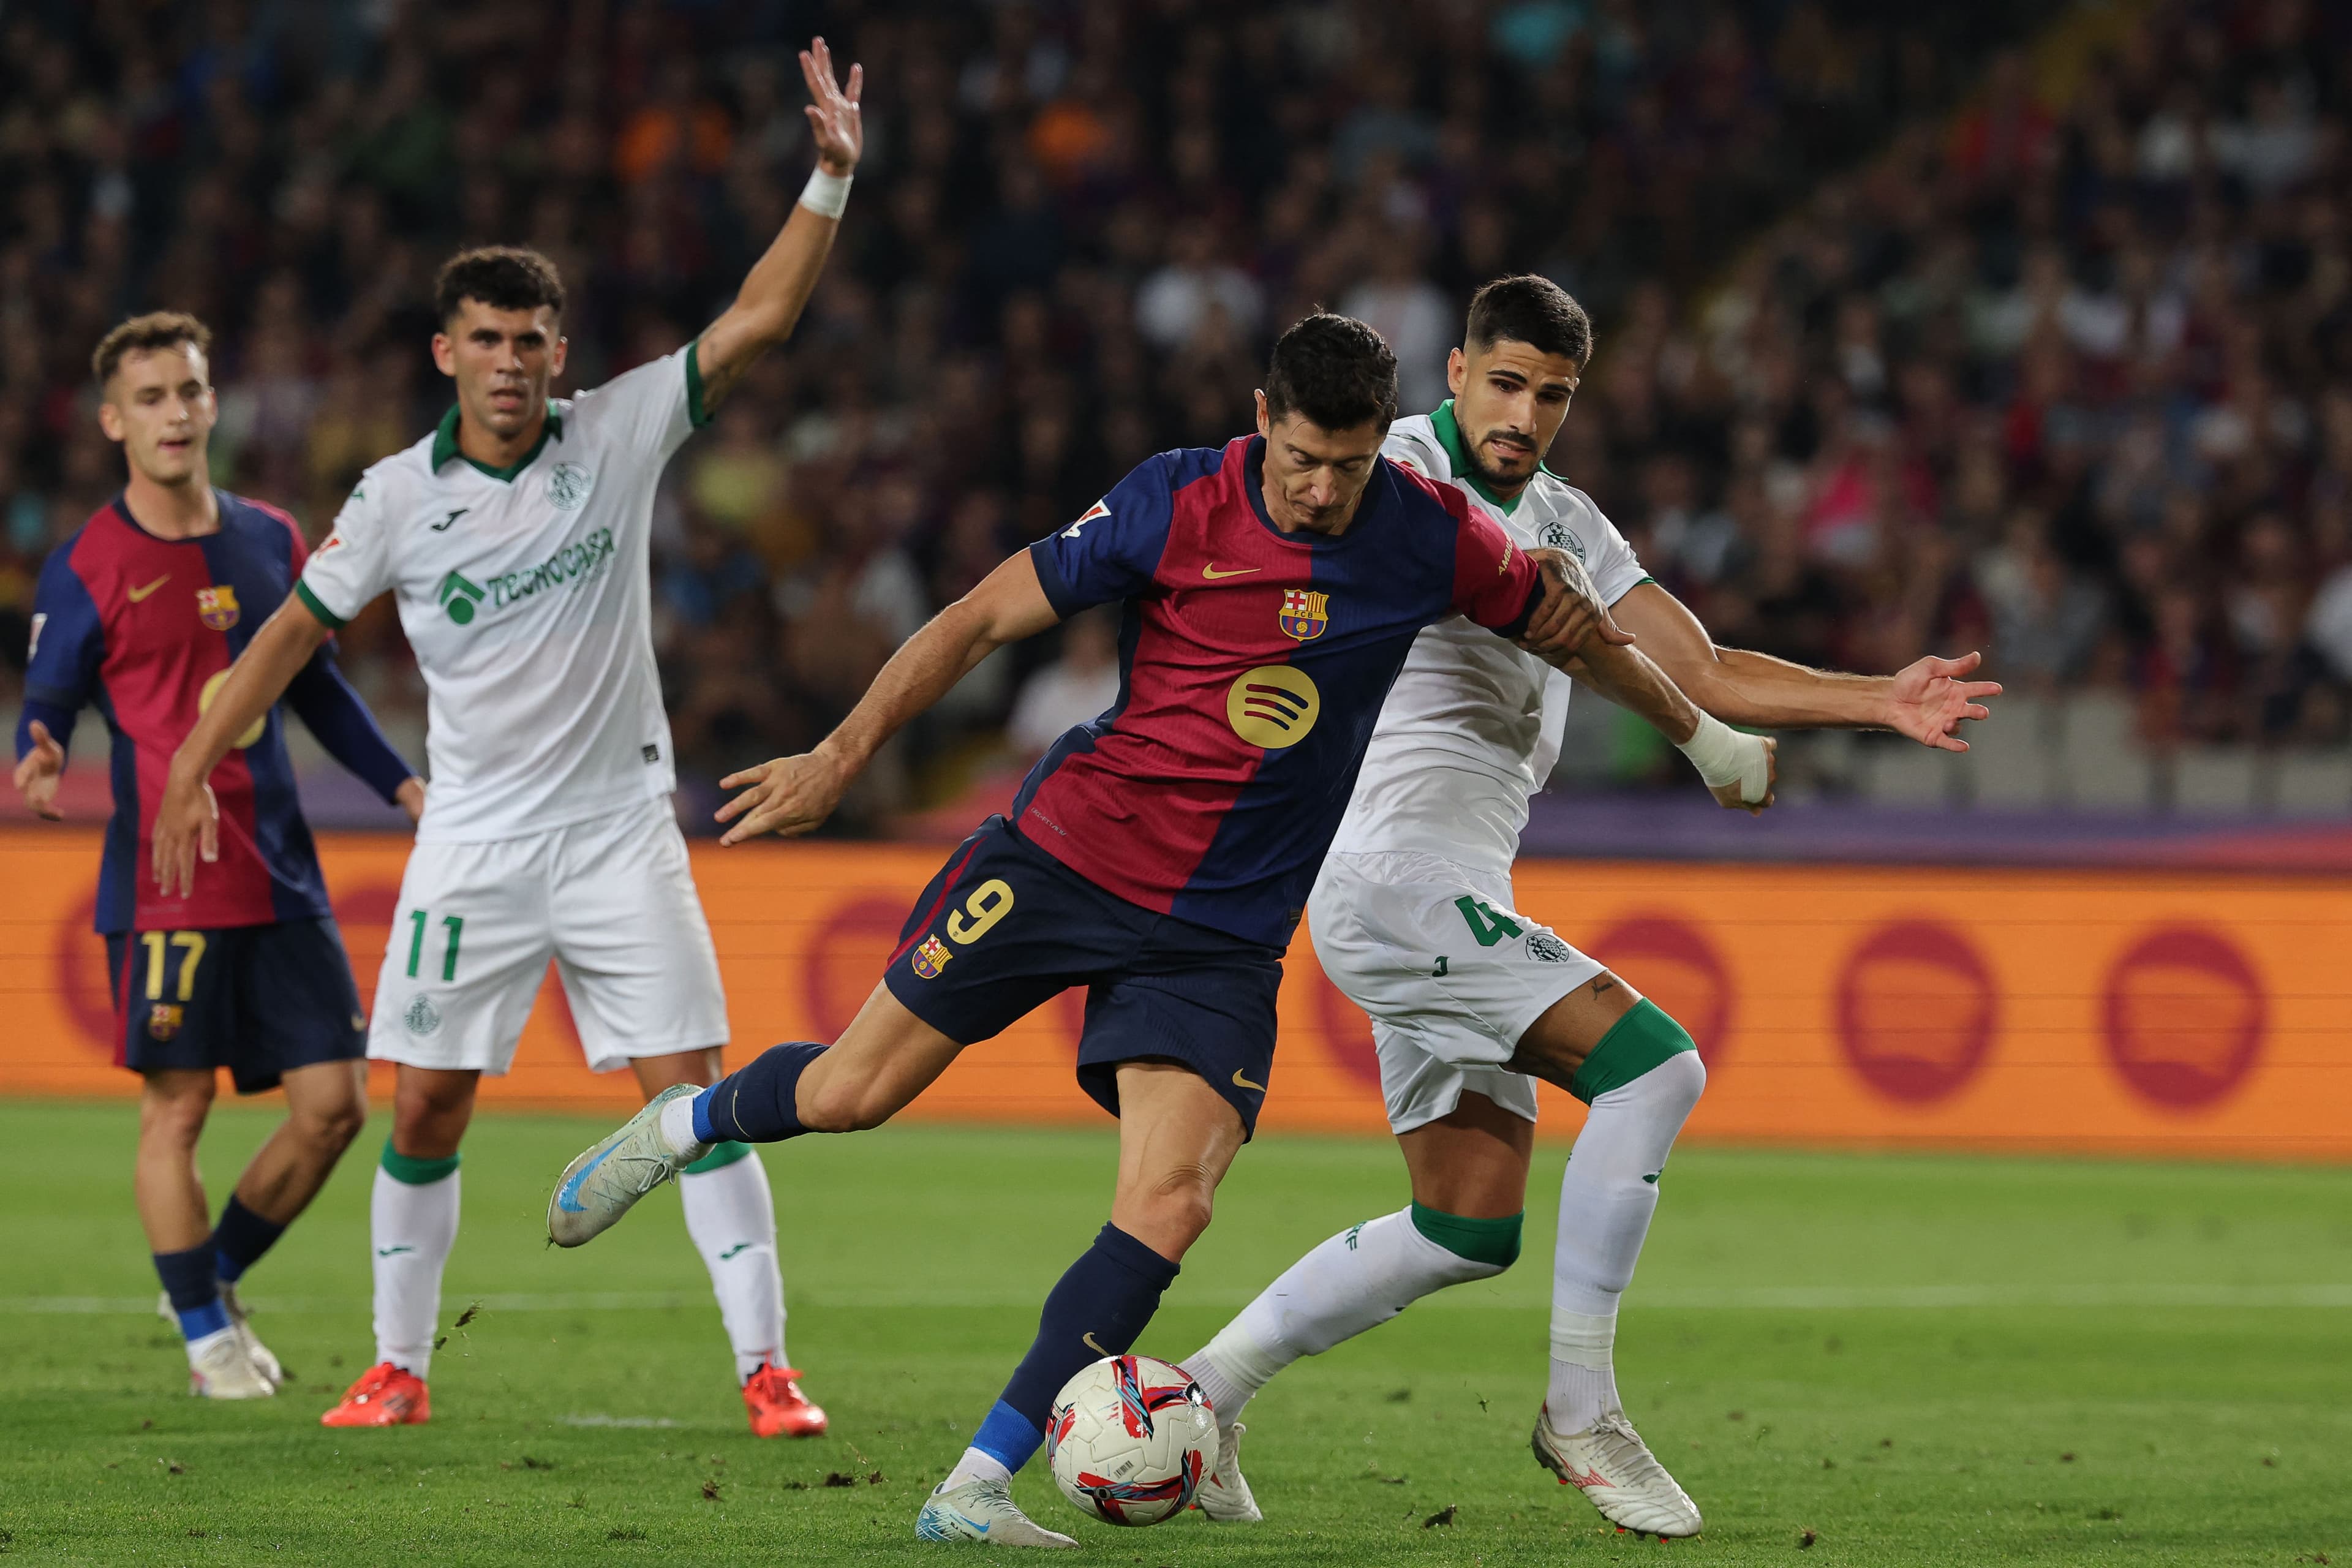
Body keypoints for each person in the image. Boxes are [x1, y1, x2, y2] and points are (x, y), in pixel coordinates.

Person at [540, 309, 1765, 1549]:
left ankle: (976, 1480)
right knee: (854, 1092)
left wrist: (1705, 736)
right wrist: (839, 755)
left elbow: (1577, 632)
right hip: (1067, 856)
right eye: (1302, 461)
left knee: (1172, 1204)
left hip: (1219, 935)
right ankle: (683, 1120)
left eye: (1350, 467)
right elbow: (974, 617)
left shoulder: (1429, 532)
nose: (1326, 491)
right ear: (1259, 420)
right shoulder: (1174, 503)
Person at [1176, 276, 2000, 1538]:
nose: (1525, 413)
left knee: (1464, 1223)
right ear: (1453, 374)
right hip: (1390, 873)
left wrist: (1875, 697)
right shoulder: (1389, 473)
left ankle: (1201, 1393)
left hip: (1440, 888)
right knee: (1656, 1070)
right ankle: (1580, 1409)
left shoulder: (1565, 515)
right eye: (1504, 383)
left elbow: (1701, 663)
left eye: (1552, 394)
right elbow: (1560, 628)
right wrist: (1698, 741)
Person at [152, 40, 865, 1438]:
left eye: (531, 341)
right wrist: (192, 758)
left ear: (559, 352)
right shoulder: (395, 497)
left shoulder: (619, 432)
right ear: (446, 352)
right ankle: (399, 1366)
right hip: (472, 838)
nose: (510, 364)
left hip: (617, 828)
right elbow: (291, 635)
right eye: (484, 339)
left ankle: (767, 1368)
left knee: (696, 1100)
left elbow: (760, 319)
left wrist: (831, 176)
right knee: (423, 1106)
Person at [13, 311, 422, 1398]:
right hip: (167, 881)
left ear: (211, 403)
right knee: (178, 1108)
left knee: (335, 1106)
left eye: (190, 391)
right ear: (113, 422)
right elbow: (48, 697)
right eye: (150, 398)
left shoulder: (274, 538)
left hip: (283, 867)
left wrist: (403, 785)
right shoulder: (88, 563)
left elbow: (319, 689)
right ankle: (207, 1341)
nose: (176, 414)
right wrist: (40, 751)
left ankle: (207, 1277)